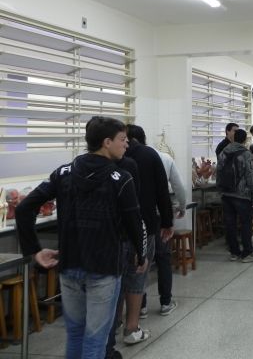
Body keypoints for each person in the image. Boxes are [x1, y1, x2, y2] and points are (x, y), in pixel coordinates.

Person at [15, 116, 148, 359]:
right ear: (107, 142)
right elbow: (134, 221)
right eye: (122, 139)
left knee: (75, 334)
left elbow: (24, 209)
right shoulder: (121, 179)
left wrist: (33, 250)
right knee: (96, 339)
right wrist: (141, 254)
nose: (126, 144)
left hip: (69, 266)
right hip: (104, 268)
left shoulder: (63, 173)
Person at [126, 126, 185, 322]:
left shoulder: (121, 157)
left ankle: (140, 307)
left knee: (138, 261)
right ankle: (165, 302)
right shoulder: (161, 157)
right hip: (156, 217)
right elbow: (174, 187)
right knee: (163, 258)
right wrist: (180, 207)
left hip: (133, 218)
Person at [122, 124, 174, 345]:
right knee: (140, 270)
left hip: (118, 227)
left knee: (119, 277)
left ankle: (135, 313)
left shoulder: (112, 158)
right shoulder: (150, 155)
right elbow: (163, 190)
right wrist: (167, 221)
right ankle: (134, 324)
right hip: (146, 223)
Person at [218, 128, 253, 262]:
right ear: (244, 140)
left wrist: (221, 190)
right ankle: (247, 253)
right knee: (245, 223)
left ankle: (234, 252)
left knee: (230, 224)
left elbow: (219, 172)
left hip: (226, 194)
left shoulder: (223, 152)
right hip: (242, 195)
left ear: (233, 138)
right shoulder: (246, 154)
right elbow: (251, 175)